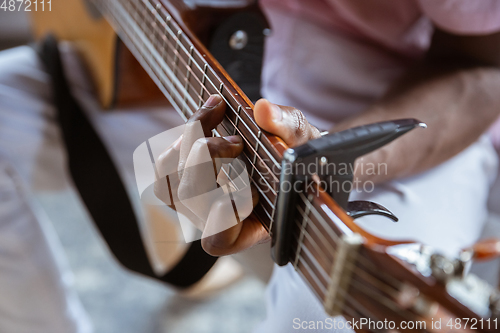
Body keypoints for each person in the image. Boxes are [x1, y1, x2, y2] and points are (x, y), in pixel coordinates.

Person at [1, 1, 500, 333]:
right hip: (194, 64)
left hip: (401, 123)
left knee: (329, 320)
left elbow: (482, 66)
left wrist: (332, 154)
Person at [162, 0, 500, 332]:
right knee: (124, 131)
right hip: (254, 71)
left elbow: (481, 66)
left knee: (324, 326)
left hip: (425, 123)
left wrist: (331, 160)